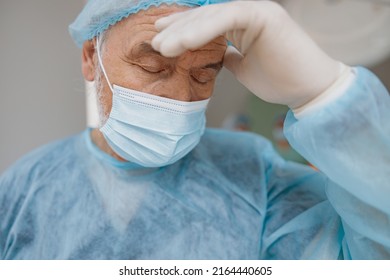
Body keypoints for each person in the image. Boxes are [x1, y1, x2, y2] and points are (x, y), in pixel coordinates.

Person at [0, 0, 389, 260]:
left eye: (205, 74)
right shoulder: (22, 191)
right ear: (90, 58)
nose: (180, 97)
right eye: (153, 68)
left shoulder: (257, 177)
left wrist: (323, 95)